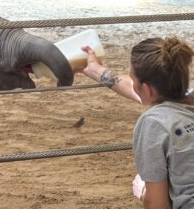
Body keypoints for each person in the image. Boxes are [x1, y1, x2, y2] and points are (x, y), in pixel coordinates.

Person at [78, 36, 194, 209]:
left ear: (147, 89)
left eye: (134, 80)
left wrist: (143, 192)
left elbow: (157, 205)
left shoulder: (154, 123)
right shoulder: (184, 102)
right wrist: (95, 70)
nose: (131, 83)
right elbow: (147, 95)